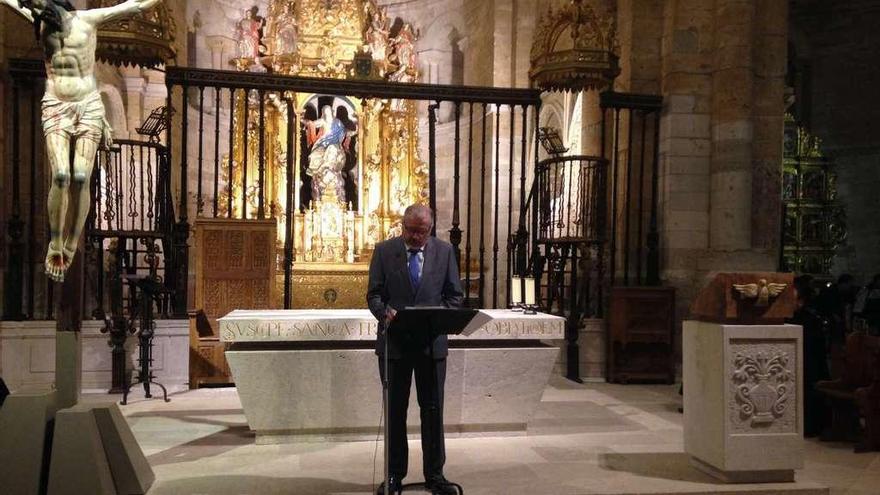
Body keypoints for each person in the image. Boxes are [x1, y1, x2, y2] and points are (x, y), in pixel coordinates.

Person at [2, 0, 162, 282]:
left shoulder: (88, 20)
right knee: (61, 175)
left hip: (88, 106)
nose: (31, 5)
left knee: (79, 177)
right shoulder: (39, 21)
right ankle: (55, 241)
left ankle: (72, 243)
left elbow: (135, 6)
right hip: (55, 105)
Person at [367, 204, 463, 495]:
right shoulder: (384, 251)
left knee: (432, 411)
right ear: (402, 225)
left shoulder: (445, 252)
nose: (416, 237)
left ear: (430, 229)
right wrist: (385, 312)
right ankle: (394, 474)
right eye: (410, 230)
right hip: (395, 345)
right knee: (395, 412)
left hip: (430, 345)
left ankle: (435, 474)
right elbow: (373, 295)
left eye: (421, 232)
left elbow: (454, 296)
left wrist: (438, 316)